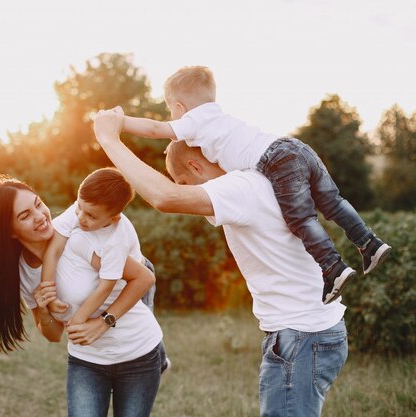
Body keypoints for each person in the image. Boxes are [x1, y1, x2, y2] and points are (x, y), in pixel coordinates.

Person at [92, 109, 349, 417]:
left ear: (195, 165)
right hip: (311, 332)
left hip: (302, 336)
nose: (189, 192)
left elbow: (165, 198)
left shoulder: (240, 188)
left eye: (185, 182)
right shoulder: (258, 178)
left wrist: (109, 139)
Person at [119, 66, 391, 304]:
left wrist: (119, 123)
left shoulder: (191, 120)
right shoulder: (218, 114)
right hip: (294, 146)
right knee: (332, 202)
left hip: (276, 161)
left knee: (300, 218)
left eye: (171, 110)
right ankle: (369, 243)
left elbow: (156, 131)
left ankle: (333, 268)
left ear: (179, 108)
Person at [0, 176, 166, 417]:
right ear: (10, 232)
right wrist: (44, 309)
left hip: (137, 352)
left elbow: (144, 277)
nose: (39, 216)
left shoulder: (80, 235)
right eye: (24, 216)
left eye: (37, 204)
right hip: (86, 361)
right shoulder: (22, 272)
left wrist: (102, 323)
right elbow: (54, 334)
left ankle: (159, 354)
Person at [41, 168, 157, 323]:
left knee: (136, 321)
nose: (81, 217)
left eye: (91, 216)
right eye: (80, 207)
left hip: (135, 272)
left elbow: (106, 286)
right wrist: (50, 297)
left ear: (114, 219)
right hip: (108, 263)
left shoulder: (116, 241)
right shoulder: (84, 208)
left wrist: (78, 319)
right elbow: (54, 250)